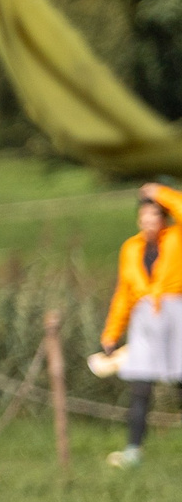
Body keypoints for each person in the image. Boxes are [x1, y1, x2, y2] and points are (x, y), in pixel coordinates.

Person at [100, 184, 182, 468]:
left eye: (154, 215)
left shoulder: (176, 237)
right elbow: (124, 293)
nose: (149, 221)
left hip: (175, 315)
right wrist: (112, 333)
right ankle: (133, 450)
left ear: (164, 218)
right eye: (144, 215)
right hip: (144, 320)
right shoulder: (131, 248)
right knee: (140, 388)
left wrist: (159, 193)